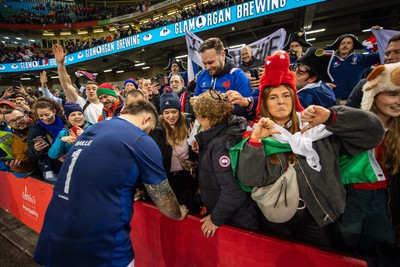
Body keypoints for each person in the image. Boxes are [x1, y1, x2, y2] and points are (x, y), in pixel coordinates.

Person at [231, 51, 385, 247]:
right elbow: (249, 179)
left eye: (286, 95)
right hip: (274, 217)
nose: (280, 101)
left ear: (294, 97)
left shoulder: (316, 127)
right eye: (273, 97)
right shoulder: (254, 133)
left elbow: (373, 133)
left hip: (318, 215)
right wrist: (255, 142)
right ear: (264, 103)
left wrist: (332, 117)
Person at [34, 101, 188, 267]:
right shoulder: (140, 139)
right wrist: (178, 213)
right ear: (146, 119)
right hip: (100, 245)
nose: (149, 133)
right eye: (150, 129)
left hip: (54, 235)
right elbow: (163, 197)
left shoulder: (93, 129)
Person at [338, 61, 400, 255]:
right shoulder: (352, 127)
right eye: (392, 94)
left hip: (385, 200)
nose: (399, 100)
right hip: (352, 197)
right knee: (346, 248)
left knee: (383, 248)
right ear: (374, 94)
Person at [192, 89, 259, 238]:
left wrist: (216, 218)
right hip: (236, 215)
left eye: (199, 117)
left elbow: (234, 192)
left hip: (237, 220)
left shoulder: (221, 144)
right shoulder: (231, 127)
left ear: (207, 118)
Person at [150, 92, 199, 212]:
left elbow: (195, 152)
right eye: (167, 112)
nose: (171, 116)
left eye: (174, 112)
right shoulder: (156, 130)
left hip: (187, 178)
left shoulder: (188, 124)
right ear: (162, 113)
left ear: (179, 111)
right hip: (167, 180)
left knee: (189, 211)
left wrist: (195, 138)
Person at [195, 37, 252, 116]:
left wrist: (219, 107)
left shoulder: (237, 75)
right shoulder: (201, 75)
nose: (207, 67)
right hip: (205, 126)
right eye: (204, 63)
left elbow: (246, 108)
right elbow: (196, 105)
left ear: (223, 55)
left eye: (210, 62)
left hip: (230, 126)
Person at [52, 44, 103, 124]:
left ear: (99, 91)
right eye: (88, 89)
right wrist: (60, 64)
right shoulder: (81, 102)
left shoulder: (105, 106)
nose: (91, 91)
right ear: (85, 92)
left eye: (94, 89)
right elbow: (67, 85)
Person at [347, 33, 400, 108]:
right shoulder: (364, 85)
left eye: (398, 52)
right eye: (387, 53)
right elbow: (348, 115)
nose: (389, 57)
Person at [326, 33, 380, 101]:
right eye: (342, 43)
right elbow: (317, 75)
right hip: (335, 100)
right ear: (338, 46)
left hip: (356, 100)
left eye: (349, 43)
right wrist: (324, 84)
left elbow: (383, 54)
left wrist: (379, 35)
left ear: (352, 46)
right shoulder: (329, 60)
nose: (345, 45)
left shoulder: (360, 58)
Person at [28, 97, 66, 182]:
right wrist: (36, 149)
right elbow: (31, 154)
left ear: (54, 112)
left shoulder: (65, 123)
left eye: (47, 115)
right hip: (50, 168)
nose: (45, 118)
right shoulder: (35, 128)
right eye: (40, 116)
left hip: (67, 164)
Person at [3, 108, 37, 178]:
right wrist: (16, 167)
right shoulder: (18, 146)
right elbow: (30, 165)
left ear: (26, 116)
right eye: (13, 121)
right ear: (8, 124)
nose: (18, 121)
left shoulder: (42, 120)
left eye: (20, 117)